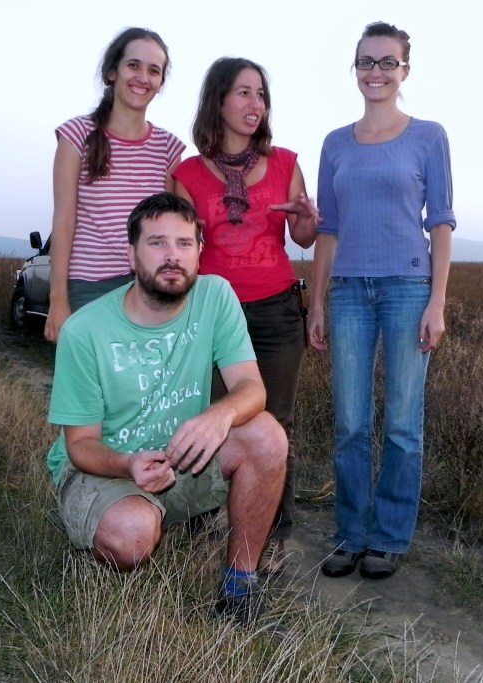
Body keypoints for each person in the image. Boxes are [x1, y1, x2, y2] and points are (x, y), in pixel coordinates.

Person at [46, 192, 287, 624]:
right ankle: (98, 521)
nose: (172, 256)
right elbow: (80, 445)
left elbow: (251, 388)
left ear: (199, 253)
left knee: (266, 435)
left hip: (180, 460)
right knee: (131, 536)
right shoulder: (85, 331)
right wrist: (128, 464)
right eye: (157, 243)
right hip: (107, 468)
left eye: (184, 243)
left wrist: (219, 415)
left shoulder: (215, 296)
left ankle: (239, 586)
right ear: (131, 255)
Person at [307, 21, 456, 580]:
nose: (376, 71)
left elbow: (441, 223)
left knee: (401, 424)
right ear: (355, 69)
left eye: (387, 62)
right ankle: (350, 534)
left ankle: (389, 538)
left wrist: (437, 301)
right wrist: (317, 303)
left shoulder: (429, 137)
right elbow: (328, 228)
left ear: (404, 71)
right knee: (350, 423)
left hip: (407, 290)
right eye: (367, 61)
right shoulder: (335, 143)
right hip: (348, 293)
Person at [173, 57, 319, 574]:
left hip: (276, 309)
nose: (255, 104)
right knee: (205, 419)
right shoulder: (187, 174)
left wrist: (308, 220)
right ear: (218, 101)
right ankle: (196, 528)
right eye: (243, 93)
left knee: (276, 423)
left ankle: (272, 537)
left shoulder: (285, 163)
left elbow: (303, 238)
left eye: (261, 94)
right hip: (211, 313)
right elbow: (182, 249)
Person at [44, 27, 186, 343]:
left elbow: (176, 228)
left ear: (160, 82)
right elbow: (63, 220)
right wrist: (58, 299)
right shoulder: (76, 136)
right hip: (89, 289)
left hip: (150, 290)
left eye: (154, 71)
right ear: (112, 72)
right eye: (133, 65)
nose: (143, 78)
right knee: (92, 375)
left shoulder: (168, 148)